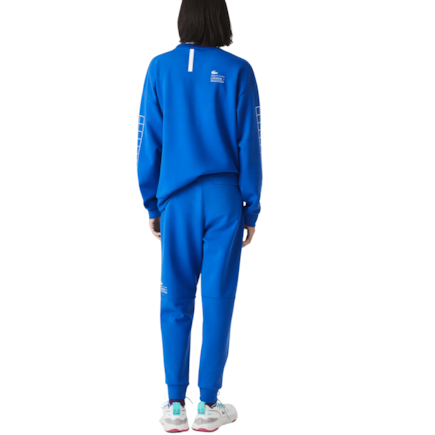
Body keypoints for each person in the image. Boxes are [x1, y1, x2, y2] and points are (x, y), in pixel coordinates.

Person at [137, 0, 262, 431]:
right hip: (225, 200)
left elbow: (149, 139)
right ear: (220, 17)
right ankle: (209, 405)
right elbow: (250, 143)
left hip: (177, 199)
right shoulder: (239, 70)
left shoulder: (159, 68)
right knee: (217, 299)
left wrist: (152, 202)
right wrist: (251, 207)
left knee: (175, 298)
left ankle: (175, 406)